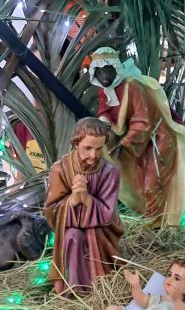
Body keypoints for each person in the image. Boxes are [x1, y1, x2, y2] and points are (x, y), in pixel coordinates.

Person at [88, 47, 185, 228]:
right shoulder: (105, 91)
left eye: (106, 70)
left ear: (115, 67)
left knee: (151, 185)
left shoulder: (133, 87)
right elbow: (105, 112)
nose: (103, 76)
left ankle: (158, 227)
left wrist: (124, 144)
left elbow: (143, 122)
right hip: (137, 145)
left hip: (158, 139)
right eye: (98, 72)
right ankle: (154, 224)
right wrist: (105, 127)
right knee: (139, 186)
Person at [44, 117, 125, 295]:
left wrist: (87, 199)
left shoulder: (110, 172)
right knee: (73, 236)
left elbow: (108, 214)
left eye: (99, 149)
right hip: (70, 228)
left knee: (91, 233)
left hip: (101, 232)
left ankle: (98, 286)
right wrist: (72, 200)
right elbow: (50, 211)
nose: (93, 155)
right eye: (87, 148)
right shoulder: (61, 170)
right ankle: (72, 289)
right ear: (76, 143)